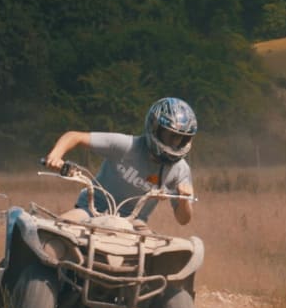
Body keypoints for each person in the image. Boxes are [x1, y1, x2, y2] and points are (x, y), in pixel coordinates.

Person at [43, 97, 196, 226]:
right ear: (155, 128)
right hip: (91, 209)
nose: (175, 143)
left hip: (135, 222)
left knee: (155, 256)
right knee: (61, 229)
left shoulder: (181, 170)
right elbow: (75, 136)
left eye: (181, 138)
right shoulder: (126, 145)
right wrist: (56, 156)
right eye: (170, 135)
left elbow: (183, 220)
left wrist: (184, 201)